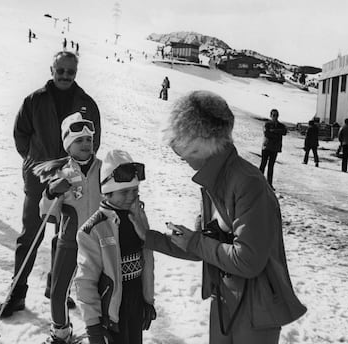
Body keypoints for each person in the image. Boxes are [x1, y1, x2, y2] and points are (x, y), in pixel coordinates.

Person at [133, 91, 306, 344]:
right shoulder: (214, 181)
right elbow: (201, 247)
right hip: (226, 301)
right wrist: (149, 238)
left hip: (256, 313)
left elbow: (248, 260)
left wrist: (194, 242)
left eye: (179, 145)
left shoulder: (247, 183)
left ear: (198, 141)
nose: (177, 154)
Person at [0, 51, 101, 318]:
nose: (65, 76)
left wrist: (74, 167)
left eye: (70, 72)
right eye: (60, 71)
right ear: (52, 69)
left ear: (76, 72)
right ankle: (17, 293)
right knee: (30, 234)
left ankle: (57, 289)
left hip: (73, 179)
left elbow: (92, 140)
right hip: (39, 178)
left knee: (64, 238)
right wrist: (38, 164)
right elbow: (21, 135)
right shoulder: (34, 100)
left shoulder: (85, 102)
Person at [33, 113, 102, 344]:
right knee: (58, 292)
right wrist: (51, 193)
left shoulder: (103, 168)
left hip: (100, 242)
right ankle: (61, 332)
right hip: (70, 241)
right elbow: (47, 215)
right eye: (79, 140)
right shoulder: (63, 172)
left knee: (103, 290)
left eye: (88, 140)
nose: (85, 144)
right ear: (68, 145)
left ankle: (105, 330)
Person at [75, 150, 156, 344]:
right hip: (110, 313)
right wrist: (93, 325)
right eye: (124, 192)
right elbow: (86, 280)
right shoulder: (94, 229)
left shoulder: (139, 218)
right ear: (107, 192)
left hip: (135, 303)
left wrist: (148, 300)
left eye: (135, 191)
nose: (131, 196)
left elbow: (148, 262)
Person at [259, 109, 287, 190]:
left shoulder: (280, 125)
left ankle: (269, 183)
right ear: (270, 115)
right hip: (266, 147)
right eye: (273, 115)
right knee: (263, 165)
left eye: (276, 115)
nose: (275, 117)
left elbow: (284, 132)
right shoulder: (267, 124)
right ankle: (259, 182)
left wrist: (274, 131)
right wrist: (277, 134)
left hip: (274, 148)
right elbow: (267, 133)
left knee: (271, 166)